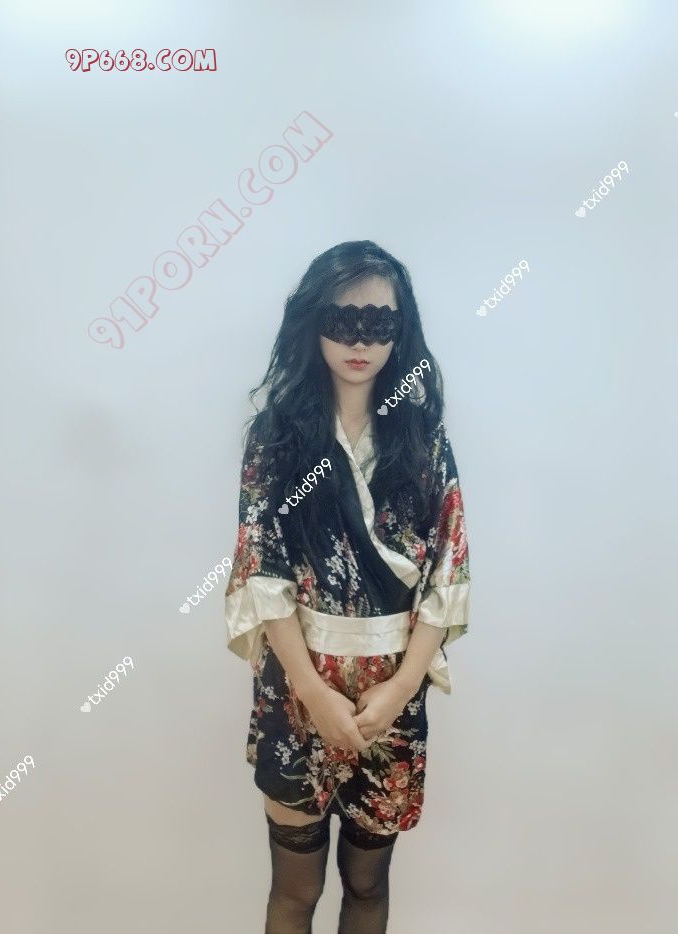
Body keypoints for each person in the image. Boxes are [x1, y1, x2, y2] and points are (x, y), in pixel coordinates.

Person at [224, 239, 471, 934]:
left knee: (367, 884)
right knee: (294, 888)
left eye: (378, 323)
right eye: (342, 320)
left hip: (392, 691)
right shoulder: (277, 438)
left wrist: (401, 688)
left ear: (402, 329)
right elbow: (262, 570)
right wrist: (311, 692)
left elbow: (448, 570)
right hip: (296, 686)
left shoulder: (422, 440)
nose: (360, 342)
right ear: (312, 321)